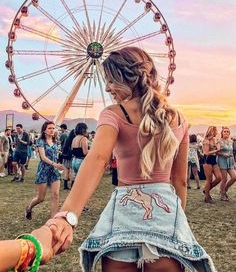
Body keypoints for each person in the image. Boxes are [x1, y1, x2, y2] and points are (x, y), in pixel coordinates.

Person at [31, 47, 217, 272]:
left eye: (110, 81)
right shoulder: (179, 119)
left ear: (126, 78)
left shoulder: (114, 114)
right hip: (166, 214)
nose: (108, 88)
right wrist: (176, 221)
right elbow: (179, 180)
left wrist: (67, 215)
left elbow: (98, 159)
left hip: (124, 211)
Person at [25, 121, 65, 220]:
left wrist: (59, 163)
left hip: (54, 172)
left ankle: (53, 219)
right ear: (44, 131)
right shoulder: (41, 142)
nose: (52, 130)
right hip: (43, 171)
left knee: (55, 195)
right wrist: (55, 164)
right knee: (40, 198)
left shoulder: (56, 141)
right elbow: (43, 157)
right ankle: (29, 208)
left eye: (53, 128)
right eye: (50, 128)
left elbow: (56, 155)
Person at [203, 126, 221, 203]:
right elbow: (206, 152)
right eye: (215, 131)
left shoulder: (214, 139)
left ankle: (206, 190)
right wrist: (216, 150)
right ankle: (207, 197)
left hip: (214, 159)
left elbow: (218, 148)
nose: (216, 132)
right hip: (207, 160)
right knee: (209, 179)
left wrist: (217, 141)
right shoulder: (206, 141)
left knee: (219, 178)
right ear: (211, 131)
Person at [217, 127, 236, 201]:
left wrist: (234, 162)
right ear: (222, 133)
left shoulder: (231, 141)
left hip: (230, 160)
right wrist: (223, 155)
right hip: (222, 160)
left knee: (234, 177)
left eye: (228, 131)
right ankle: (222, 195)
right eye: (225, 131)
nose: (226, 133)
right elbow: (217, 152)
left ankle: (225, 189)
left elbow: (232, 152)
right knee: (224, 179)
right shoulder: (219, 141)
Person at [71, 123, 89, 187]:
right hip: (80, 161)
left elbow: (72, 150)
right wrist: (91, 151)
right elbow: (85, 152)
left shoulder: (74, 138)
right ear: (84, 129)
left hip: (74, 160)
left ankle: (73, 190)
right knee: (82, 179)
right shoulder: (83, 139)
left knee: (75, 176)